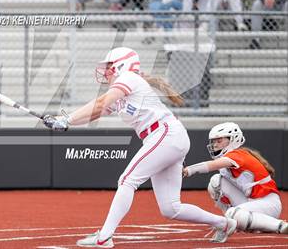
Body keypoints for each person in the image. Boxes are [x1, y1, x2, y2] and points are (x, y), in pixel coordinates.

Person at [43, 47, 237, 247]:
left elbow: (100, 103)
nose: (106, 71)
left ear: (122, 65)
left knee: (127, 180)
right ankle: (224, 223)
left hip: (165, 134)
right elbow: (95, 112)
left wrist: (67, 118)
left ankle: (104, 237)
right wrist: (65, 121)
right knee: (171, 209)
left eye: (109, 67)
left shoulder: (128, 78)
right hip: (168, 137)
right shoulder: (123, 89)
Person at [183, 122, 288, 234]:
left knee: (233, 213)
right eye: (214, 141)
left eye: (219, 141)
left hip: (268, 203)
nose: (215, 145)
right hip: (252, 201)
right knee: (216, 182)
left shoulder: (237, 155)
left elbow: (211, 165)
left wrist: (189, 170)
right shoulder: (234, 156)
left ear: (233, 140)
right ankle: (236, 222)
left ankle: (280, 225)